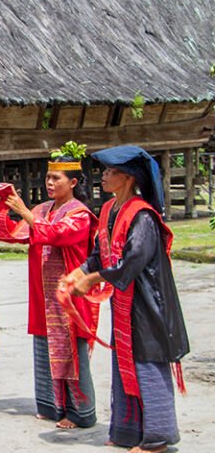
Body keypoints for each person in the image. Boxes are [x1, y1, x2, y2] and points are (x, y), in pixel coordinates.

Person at [62, 145, 189, 453]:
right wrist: (78, 272)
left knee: (146, 362)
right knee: (124, 362)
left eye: (109, 171)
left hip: (148, 303)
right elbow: (98, 254)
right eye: (104, 171)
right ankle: (127, 431)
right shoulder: (108, 210)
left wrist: (92, 280)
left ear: (129, 178)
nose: (103, 176)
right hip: (125, 302)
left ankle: (158, 438)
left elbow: (132, 263)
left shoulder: (142, 216)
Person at [0, 141, 99, 428]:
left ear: (73, 182)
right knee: (45, 349)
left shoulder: (80, 214)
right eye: (47, 177)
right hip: (43, 294)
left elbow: (56, 235)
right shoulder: (43, 209)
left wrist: (25, 212)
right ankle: (52, 406)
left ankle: (79, 412)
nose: (49, 182)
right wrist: (1, 209)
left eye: (55, 178)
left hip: (68, 295)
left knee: (71, 354)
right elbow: (12, 234)